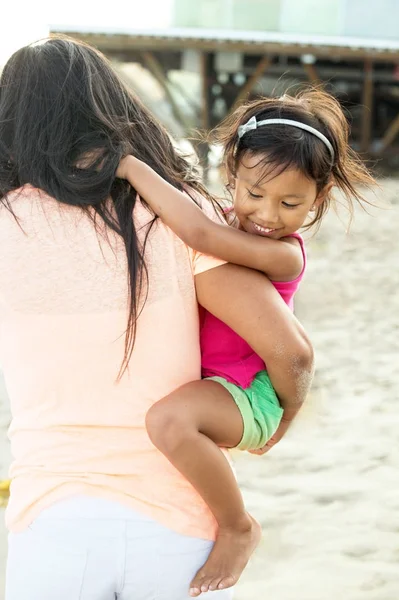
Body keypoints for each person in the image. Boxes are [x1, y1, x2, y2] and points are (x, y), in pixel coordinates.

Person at [0, 37, 314, 600]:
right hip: (180, 526)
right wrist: (286, 416)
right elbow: (289, 349)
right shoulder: (177, 212)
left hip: (48, 521)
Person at [115, 88, 376, 596]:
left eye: (291, 203)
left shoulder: (284, 255)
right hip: (219, 385)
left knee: (168, 421)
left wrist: (130, 166)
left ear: (318, 200)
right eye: (254, 193)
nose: (268, 214)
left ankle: (237, 525)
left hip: (245, 393)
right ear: (231, 174)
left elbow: (201, 236)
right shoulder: (227, 214)